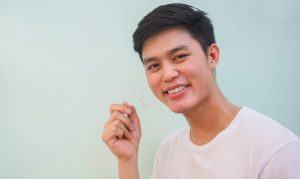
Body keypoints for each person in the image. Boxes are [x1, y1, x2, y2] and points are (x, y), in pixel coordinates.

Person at [102, 3, 300, 179]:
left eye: (179, 56)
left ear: (212, 56)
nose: (168, 74)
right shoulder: (169, 150)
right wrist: (127, 159)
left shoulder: (276, 151)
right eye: (154, 66)